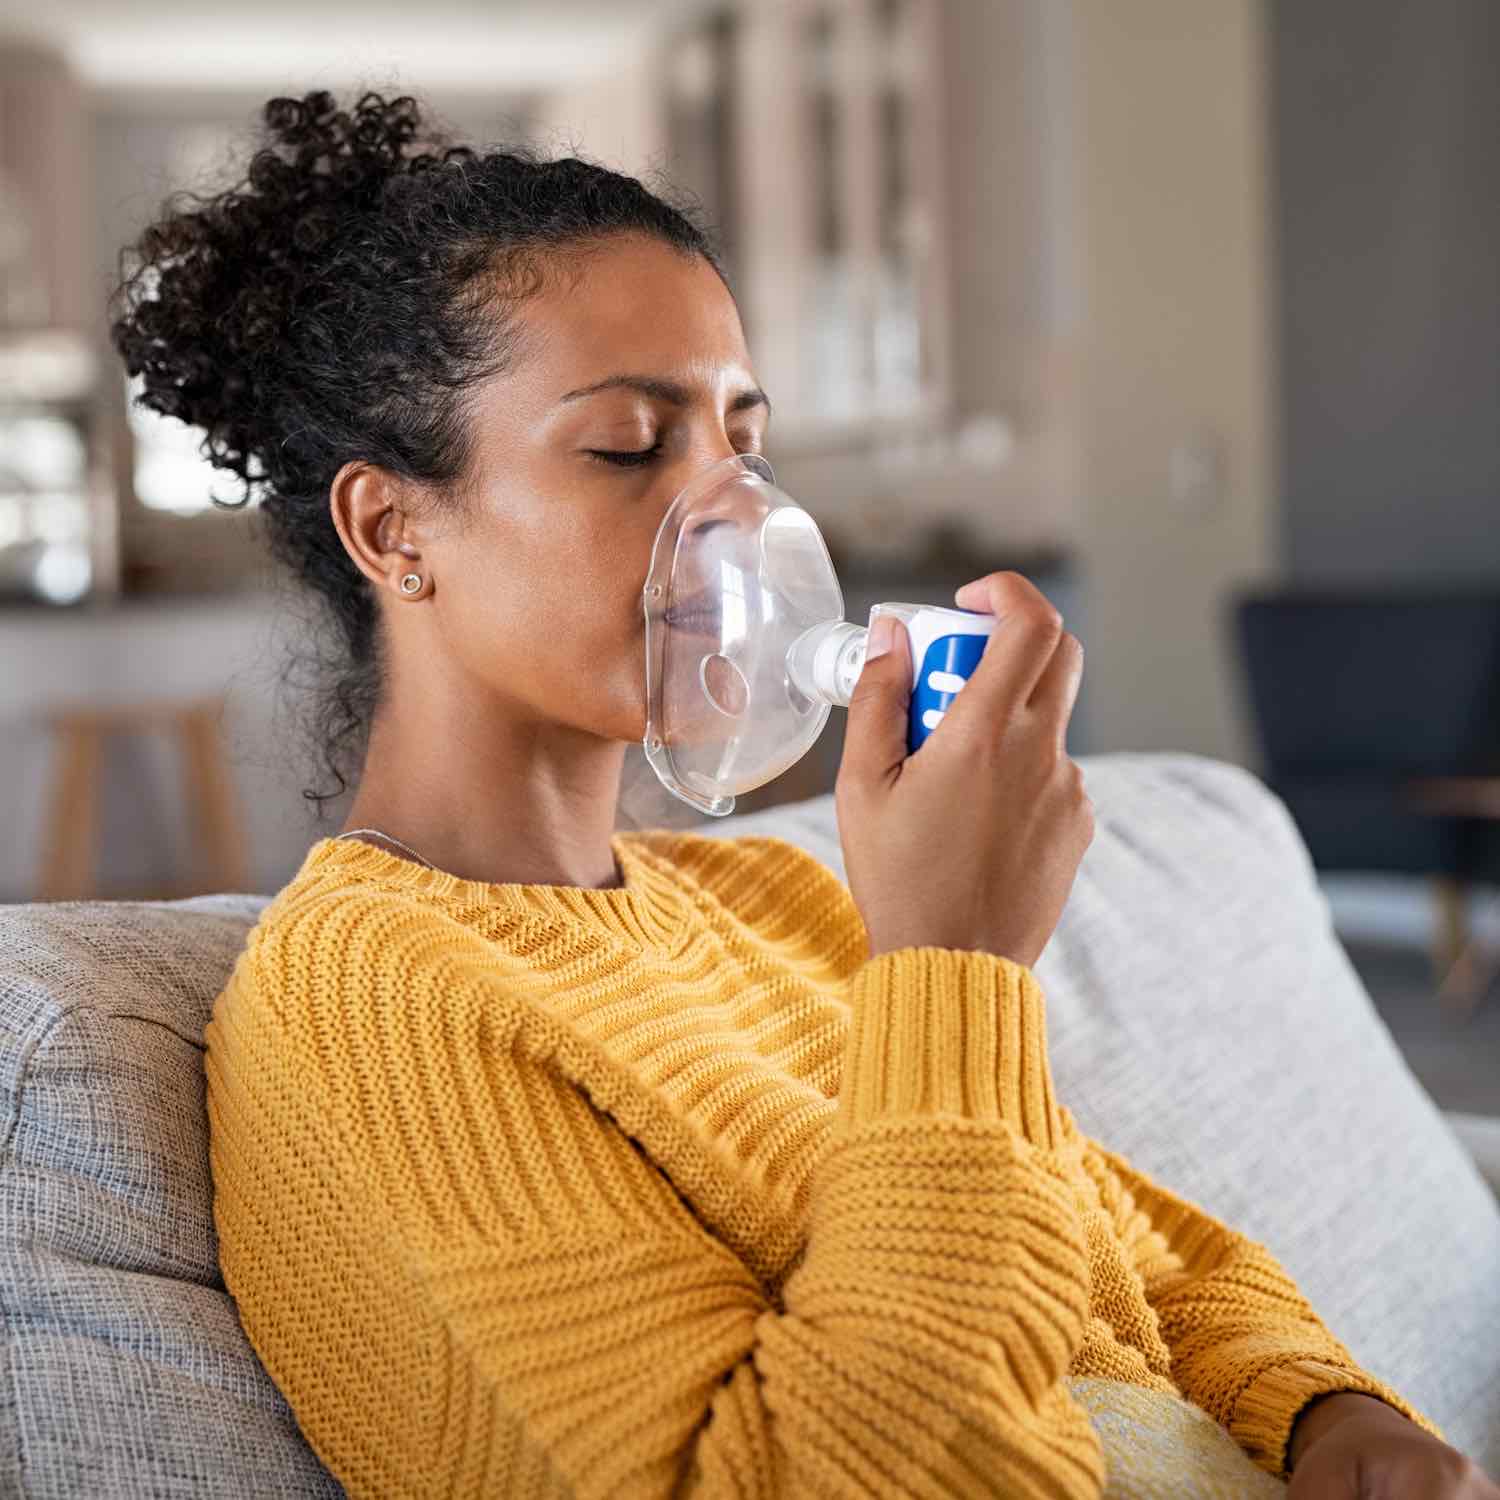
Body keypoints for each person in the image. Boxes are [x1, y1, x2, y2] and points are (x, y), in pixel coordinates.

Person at [111, 90, 1496, 1500]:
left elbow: (1144, 1263)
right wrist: (955, 965)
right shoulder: (374, 1000)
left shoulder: (777, 899)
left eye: (744, 449)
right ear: (391, 525)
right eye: (629, 447)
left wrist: (1331, 1416)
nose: (728, 524)